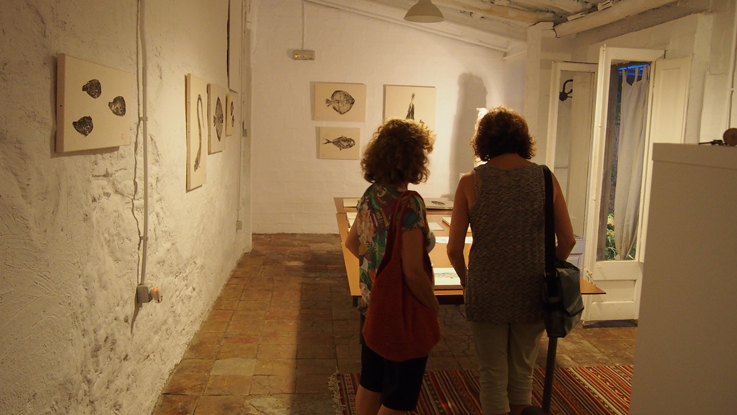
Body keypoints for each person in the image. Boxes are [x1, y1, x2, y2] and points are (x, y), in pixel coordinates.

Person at [446, 106, 576, 415]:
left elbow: (453, 248)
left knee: (492, 373)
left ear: (482, 141)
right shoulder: (545, 177)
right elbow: (568, 240)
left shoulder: (471, 181)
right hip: (532, 288)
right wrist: (544, 266)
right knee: (522, 370)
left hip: (486, 288)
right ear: (522, 138)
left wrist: (466, 280)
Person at [344, 118, 440, 415]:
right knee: (398, 396)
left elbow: (351, 243)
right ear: (414, 159)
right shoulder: (410, 204)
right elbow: (412, 271)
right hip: (401, 311)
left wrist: (376, 264)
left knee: (371, 381)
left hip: (372, 304)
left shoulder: (370, 195)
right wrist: (433, 304)